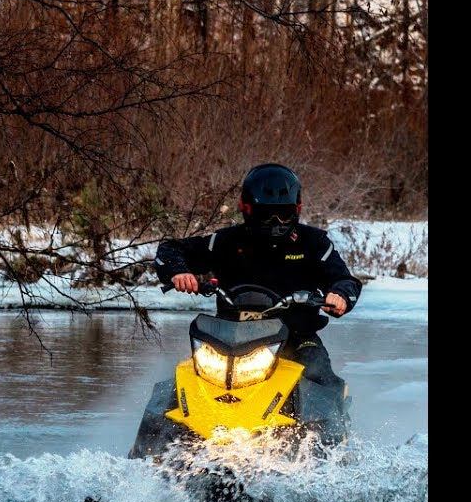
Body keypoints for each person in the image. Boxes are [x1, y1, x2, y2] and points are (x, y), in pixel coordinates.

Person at [153, 163, 362, 387]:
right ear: (247, 208)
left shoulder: (314, 243)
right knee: (180, 383)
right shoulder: (227, 242)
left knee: (319, 375)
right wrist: (179, 272)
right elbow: (170, 250)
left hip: (296, 338)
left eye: (283, 214)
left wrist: (339, 294)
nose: (275, 222)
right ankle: (168, 422)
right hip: (227, 339)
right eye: (266, 214)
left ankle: (323, 423)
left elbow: (343, 279)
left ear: (297, 209)